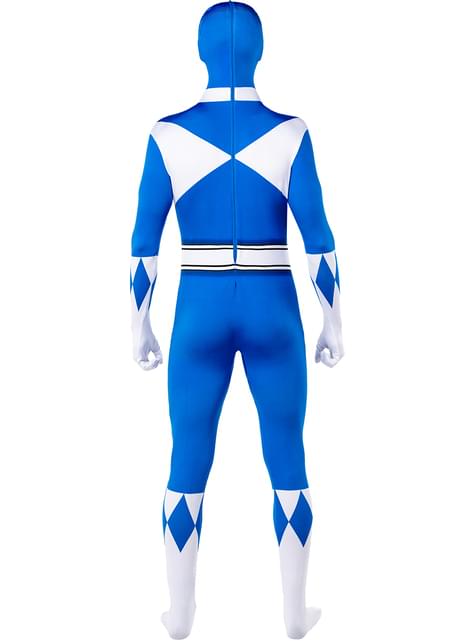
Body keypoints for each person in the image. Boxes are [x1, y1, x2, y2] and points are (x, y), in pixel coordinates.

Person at [129, 2, 344, 638]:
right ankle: (293, 615)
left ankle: (180, 615)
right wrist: (334, 321)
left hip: (198, 308)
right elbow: (320, 244)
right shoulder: (291, 134)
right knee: (288, 458)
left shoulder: (166, 135)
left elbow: (143, 248)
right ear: (258, 52)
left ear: (202, 53)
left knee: (187, 460)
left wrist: (138, 324)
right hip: (273, 304)